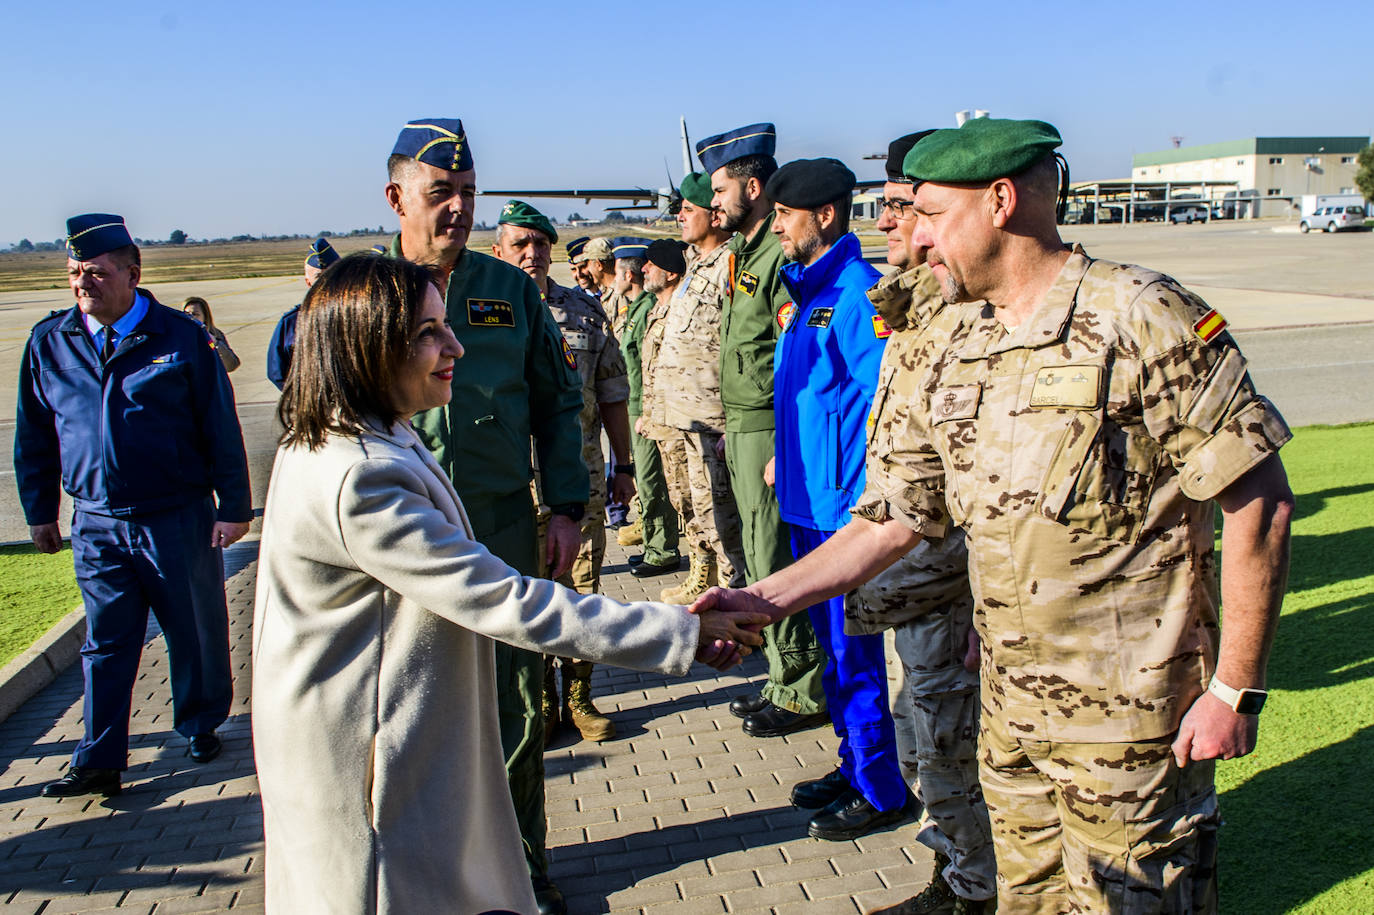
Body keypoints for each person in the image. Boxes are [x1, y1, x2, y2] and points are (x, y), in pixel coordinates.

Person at [694, 118, 1295, 913]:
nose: (912, 233)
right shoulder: (952, 340)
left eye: (932, 213)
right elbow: (889, 519)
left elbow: (1259, 501)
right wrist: (766, 600)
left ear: (1002, 201)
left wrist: (1235, 689)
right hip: (1011, 722)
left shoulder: (1143, 316)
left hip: (1133, 727)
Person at [251, 252, 767, 914]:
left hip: (377, 740)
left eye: (446, 325)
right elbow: (503, 598)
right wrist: (683, 632)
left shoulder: (367, 436)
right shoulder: (360, 476)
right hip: (367, 769)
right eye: (427, 334)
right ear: (370, 349)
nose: (455, 346)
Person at [387, 118, 588, 915]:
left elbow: (555, 399)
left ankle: (523, 869)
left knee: (514, 705)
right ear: (397, 196)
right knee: (412, 711)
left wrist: (566, 505)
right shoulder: (366, 295)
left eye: (469, 194)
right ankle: (427, 875)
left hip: (501, 524)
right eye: (442, 193)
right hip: (400, 532)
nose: (459, 209)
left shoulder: (509, 292)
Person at [15, 214, 252, 797]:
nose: (81, 284)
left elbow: (220, 428)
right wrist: (40, 510)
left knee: (193, 629)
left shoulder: (180, 337)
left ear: (131, 272)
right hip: (95, 522)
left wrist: (235, 506)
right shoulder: (51, 341)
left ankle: (199, 723)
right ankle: (99, 756)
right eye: (73, 273)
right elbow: (35, 434)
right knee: (106, 640)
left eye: (94, 273)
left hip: (175, 516)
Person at [858, 131, 996, 914]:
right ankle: (955, 871)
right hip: (909, 582)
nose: (888, 224)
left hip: (950, 583)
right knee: (925, 735)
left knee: (950, 742)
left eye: (901, 207)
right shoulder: (911, 305)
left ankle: (976, 888)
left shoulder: (968, 313)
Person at [764, 157, 912, 842]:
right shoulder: (805, 295)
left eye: (785, 217)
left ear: (824, 215)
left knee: (856, 657)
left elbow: (885, 411)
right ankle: (854, 765)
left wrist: (864, 504)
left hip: (841, 516)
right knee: (832, 655)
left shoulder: (859, 295)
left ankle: (882, 788)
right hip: (804, 504)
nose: (776, 229)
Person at [697, 122, 828, 738]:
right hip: (745, 424)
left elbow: (788, 352)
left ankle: (803, 687)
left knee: (774, 554)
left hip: (768, 428)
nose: (712, 200)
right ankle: (781, 674)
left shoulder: (777, 257)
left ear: (751, 185)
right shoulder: (746, 253)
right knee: (756, 550)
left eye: (720, 189)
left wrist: (777, 438)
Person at [491, 200, 635, 743]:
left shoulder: (584, 312)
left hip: (580, 484)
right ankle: (540, 702)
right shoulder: (482, 313)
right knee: (522, 595)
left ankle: (578, 695)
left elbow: (614, 393)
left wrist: (625, 465)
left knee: (581, 590)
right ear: (499, 251)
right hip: (510, 488)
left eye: (540, 244)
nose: (532, 254)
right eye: (520, 244)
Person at [650, 172, 746, 604]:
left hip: (714, 417)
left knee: (724, 514)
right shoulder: (694, 264)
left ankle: (735, 596)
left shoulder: (730, 261)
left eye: (689, 210)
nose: (680, 217)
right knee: (699, 508)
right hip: (686, 417)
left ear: (713, 213)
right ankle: (710, 577)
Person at [616, 237, 682, 578]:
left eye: (651, 265)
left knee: (654, 480)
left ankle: (662, 550)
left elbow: (653, 366)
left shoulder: (646, 310)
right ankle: (656, 544)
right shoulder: (644, 308)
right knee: (647, 479)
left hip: (647, 407)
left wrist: (649, 411)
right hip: (638, 405)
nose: (643, 270)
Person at [266, 237, 338, 390]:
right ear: (308, 282)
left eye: (330, 274)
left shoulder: (359, 316)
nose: (325, 282)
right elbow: (277, 372)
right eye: (318, 277)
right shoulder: (291, 323)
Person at [182, 296, 240, 372]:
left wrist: (216, 343)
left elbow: (231, 365)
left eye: (195, 314)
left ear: (205, 317)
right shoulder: (178, 335)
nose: (190, 317)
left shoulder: (215, 334)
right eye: (186, 314)